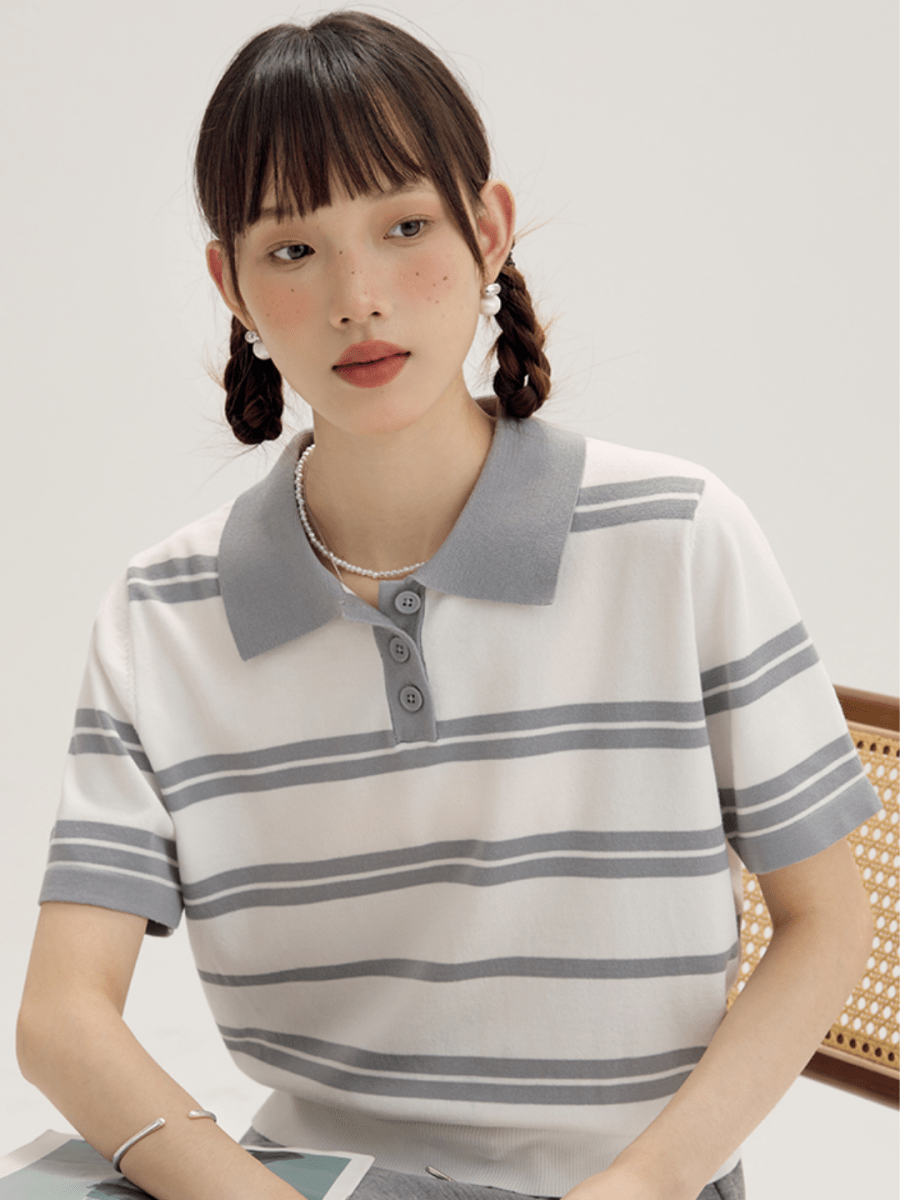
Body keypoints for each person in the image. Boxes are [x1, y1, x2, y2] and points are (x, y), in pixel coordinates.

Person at [16, 12, 880, 1200]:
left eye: (406, 227)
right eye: (292, 249)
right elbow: (61, 1015)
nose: (357, 296)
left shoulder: (678, 538)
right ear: (231, 285)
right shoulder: (160, 614)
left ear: (489, 231)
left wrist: (645, 1183)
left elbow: (830, 924)